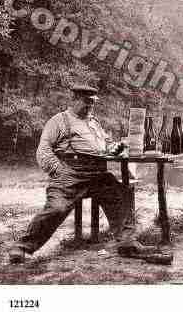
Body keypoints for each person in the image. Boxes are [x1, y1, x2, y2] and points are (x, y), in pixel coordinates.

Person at [8, 84, 135, 263]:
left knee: (123, 193)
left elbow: (105, 145)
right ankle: (21, 247)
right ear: (74, 99)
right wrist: (59, 172)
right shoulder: (59, 121)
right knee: (57, 208)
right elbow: (43, 150)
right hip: (70, 175)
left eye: (93, 103)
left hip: (97, 174)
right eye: (87, 102)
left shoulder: (94, 122)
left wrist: (115, 148)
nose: (90, 106)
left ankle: (127, 242)